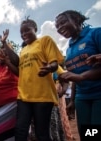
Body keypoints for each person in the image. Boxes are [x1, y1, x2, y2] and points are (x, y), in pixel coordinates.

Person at [7, 17, 64, 141]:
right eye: (21, 33)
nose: (24, 34)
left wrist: (49, 67)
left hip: (42, 96)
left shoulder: (45, 41)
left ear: (35, 29)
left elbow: (54, 64)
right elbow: (19, 72)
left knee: (41, 133)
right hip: (24, 96)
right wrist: (7, 62)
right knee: (20, 130)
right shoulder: (23, 51)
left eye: (27, 30)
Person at [55, 10, 101, 139]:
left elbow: (79, 76)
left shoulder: (96, 34)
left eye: (63, 23)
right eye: (57, 26)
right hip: (82, 97)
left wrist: (82, 77)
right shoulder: (69, 49)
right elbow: (74, 76)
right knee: (87, 134)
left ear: (76, 19)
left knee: (97, 132)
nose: (59, 28)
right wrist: (73, 101)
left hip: (99, 94)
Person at [0, 46, 19, 141]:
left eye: (3, 53)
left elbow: (19, 72)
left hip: (13, 105)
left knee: (13, 135)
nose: (0, 55)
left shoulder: (13, 66)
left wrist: (7, 61)